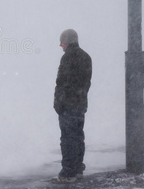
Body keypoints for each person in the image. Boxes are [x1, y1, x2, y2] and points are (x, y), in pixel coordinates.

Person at [53, 29, 92, 184]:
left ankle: (68, 173)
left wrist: (58, 104)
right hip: (80, 104)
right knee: (77, 137)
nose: (60, 45)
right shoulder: (86, 57)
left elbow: (62, 83)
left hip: (68, 106)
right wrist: (80, 98)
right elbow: (86, 83)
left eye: (61, 41)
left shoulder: (67, 58)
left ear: (67, 42)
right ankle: (77, 169)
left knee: (68, 139)